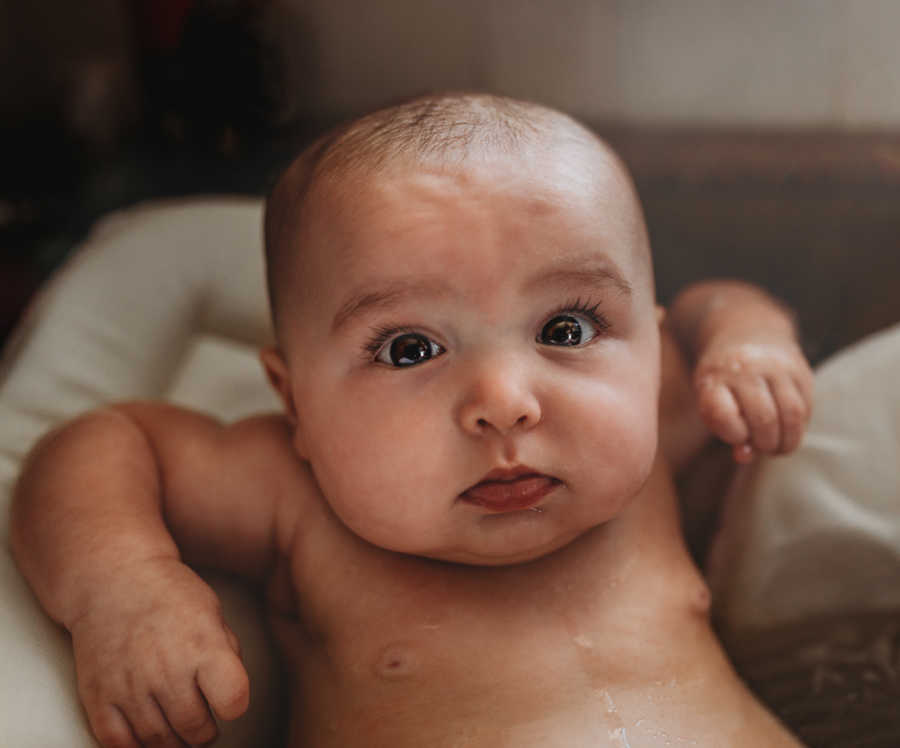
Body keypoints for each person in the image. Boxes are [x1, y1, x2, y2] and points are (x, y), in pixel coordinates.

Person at [10, 93, 813, 748]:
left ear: (648, 348)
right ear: (295, 403)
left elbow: (714, 306)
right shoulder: (297, 496)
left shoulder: (640, 445)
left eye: (565, 330)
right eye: (408, 348)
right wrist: (122, 587)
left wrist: (750, 340)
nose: (505, 402)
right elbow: (99, 444)